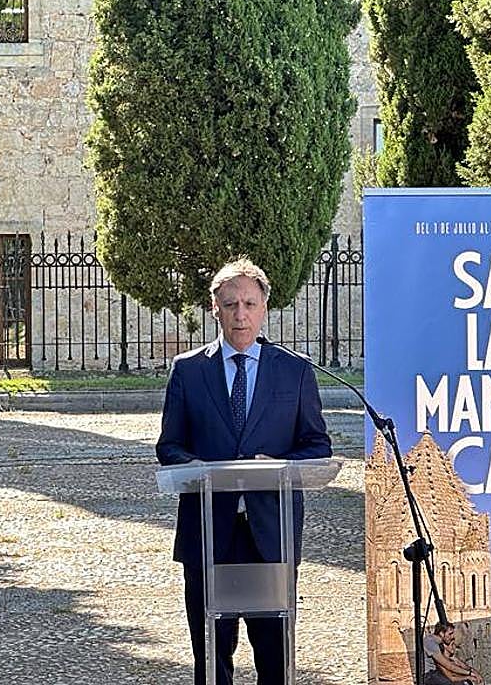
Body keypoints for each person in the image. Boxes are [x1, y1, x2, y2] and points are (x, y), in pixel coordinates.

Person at [156, 258, 332, 685]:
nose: (240, 314)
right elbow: (169, 445)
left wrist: (282, 467)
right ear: (214, 308)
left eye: (249, 303)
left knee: (274, 654)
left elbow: (317, 445)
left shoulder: (294, 370)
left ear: (264, 308)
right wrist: (194, 466)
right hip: (207, 532)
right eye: (230, 304)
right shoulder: (189, 370)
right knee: (212, 656)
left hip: (271, 535)